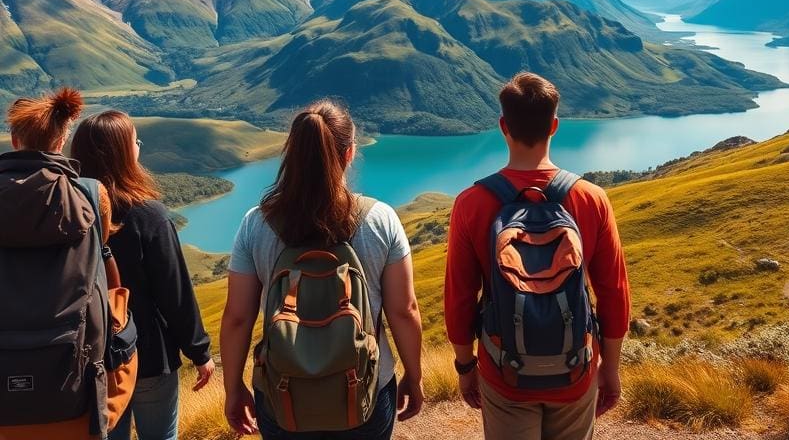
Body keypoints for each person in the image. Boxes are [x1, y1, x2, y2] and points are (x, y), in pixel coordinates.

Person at [220, 99, 424, 439]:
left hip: (282, 391)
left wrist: (233, 387)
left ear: (293, 154)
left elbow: (237, 317)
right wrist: (413, 378)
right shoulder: (380, 219)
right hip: (365, 389)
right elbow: (404, 311)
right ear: (349, 153)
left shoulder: (256, 224)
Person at [444, 72, 630, 440]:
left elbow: (460, 299)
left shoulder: (472, 204)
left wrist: (466, 366)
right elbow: (613, 293)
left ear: (503, 126)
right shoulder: (591, 199)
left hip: (504, 372)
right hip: (574, 370)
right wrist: (610, 366)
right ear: (555, 126)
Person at [71, 110, 215, 440]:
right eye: (135, 141)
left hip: (89, 359)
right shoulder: (149, 216)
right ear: (123, 152)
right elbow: (175, 293)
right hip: (149, 357)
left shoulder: (68, 215)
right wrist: (200, 353)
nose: (139, 146)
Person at [0, 88, 113, 438]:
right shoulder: (92, 196)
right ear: (62, 139)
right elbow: (100, 249)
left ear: (15, 139)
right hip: (74, 386)